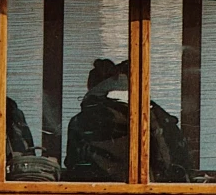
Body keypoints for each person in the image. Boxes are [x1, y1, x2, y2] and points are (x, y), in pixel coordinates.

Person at [64, 57, 194, 182]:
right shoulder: (156, 117)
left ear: (92, 89)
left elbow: (73, 164)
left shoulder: (81, 122)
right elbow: (176, 161)